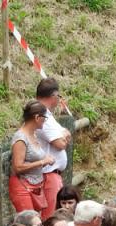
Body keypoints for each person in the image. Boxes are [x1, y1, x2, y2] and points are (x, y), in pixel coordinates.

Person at [8, 100, 55, 215]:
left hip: (35, 185)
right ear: (37, 117)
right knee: (29, 223)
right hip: (23, 186)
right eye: (45, 117)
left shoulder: (33, 134)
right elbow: (18, 166)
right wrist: (42, 162)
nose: (45, 120)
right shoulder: (21, 138)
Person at [35, 78, 72, 218]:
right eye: (59, 96)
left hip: (52, 174)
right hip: (48, 174)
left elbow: (64, 135)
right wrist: (64, 136)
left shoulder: (47, 115)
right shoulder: (42, 115)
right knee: (51, 217)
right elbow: (60, 143)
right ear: (53, 96)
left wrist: (64, 135)